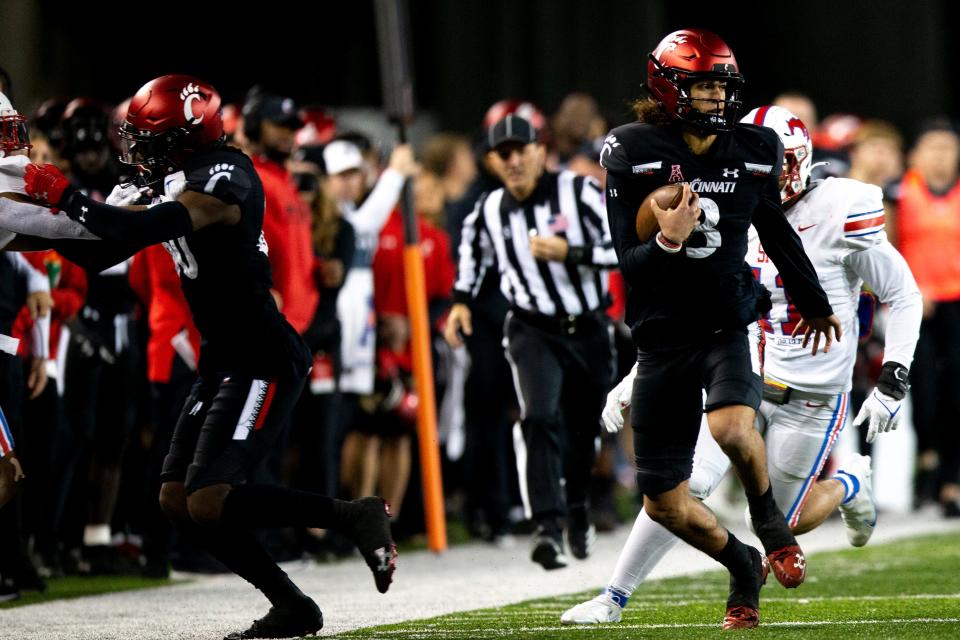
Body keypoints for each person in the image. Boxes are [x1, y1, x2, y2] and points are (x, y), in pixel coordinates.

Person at [15, 74, 395, 640]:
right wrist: (20, 228)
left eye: (152, 136)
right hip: (223, 359)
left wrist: (66, 195)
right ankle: (294, 606)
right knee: (177, 500)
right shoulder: (176, 173)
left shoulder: (227, 176)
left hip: (262, 355)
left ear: (187, 135)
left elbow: (143, 226)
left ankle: (351, 516)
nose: (139, 148)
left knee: (212, 498)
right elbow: (105, 253)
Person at [563, 105, 922, 625]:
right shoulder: (721, 203)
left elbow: (903, 293)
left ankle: (849, 481)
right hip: (746, 368)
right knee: (686, 485)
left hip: (814, 394)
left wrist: (894, 376)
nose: (772, 178)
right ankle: (613, 596)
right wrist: (639, 372)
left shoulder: (841, 206)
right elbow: (697, 307)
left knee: (787, 521)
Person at [598, 30, 840, 629]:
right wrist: (666, 239)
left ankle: (769, 523)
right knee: (666, 505)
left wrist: (812, 300)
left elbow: (776, 232)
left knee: (732, 425)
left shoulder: (752, 147)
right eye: (703, 85)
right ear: (668, 86)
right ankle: (741, 563)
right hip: (659, 337)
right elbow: (627, 265)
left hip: (725, 325)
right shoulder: (632, 150)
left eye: (720, 85)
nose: (714, 97)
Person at [444, 113, 618, 570]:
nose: (514, 160)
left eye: (522, 150)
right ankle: (546, 527)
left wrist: (570, 252)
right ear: (493, 162)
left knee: (583, 430)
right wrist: (460, 302)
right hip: (531, 329)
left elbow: (620, 248)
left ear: (541, 151)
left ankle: (577, 508)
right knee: (537, 417)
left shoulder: (577, 191)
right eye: (504, 154)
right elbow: (471, 257)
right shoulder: (488, 208)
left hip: (588, 328)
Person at [885, 118, 960, 516]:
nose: (940, 156)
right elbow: (888, 248)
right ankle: (926, 467)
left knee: (956, 393)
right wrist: (912, 287)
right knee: (925, 393)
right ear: (916, 154)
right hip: (916, 302)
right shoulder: (900, 193)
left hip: (956, 304)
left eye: (947, 147)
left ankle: (950, 481)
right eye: (933, 147)